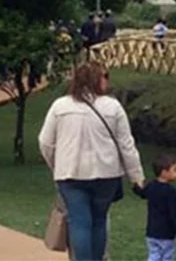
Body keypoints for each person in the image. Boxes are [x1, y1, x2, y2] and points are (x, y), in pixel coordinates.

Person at [39, 61, 145, 261]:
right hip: (106, 173)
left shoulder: (60, 106)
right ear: (97, 80)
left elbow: (45, 142)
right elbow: (126, 145)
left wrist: (57, 165)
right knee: (99, 221)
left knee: (79, 222)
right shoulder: (113, 107)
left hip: (70, 173)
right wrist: (136, 177)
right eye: (105, 76)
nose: (107, 80)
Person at [135, 154, 176, 261]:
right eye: (175, 170)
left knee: (154, 254)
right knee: (167, 256)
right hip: (166, 232)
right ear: (164, 172)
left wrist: (136, 184)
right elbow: (172, 213)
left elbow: (141, 193)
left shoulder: (151, 186)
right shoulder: (170, 191)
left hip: (151, 231)